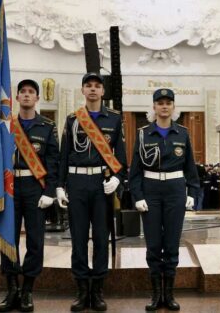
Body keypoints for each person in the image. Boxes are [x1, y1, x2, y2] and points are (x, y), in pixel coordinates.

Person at [57, 73, 127, 312]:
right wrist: (60, 185)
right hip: (76, 182)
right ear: (83, 90)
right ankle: (81, 290)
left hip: (101, 183)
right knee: (78, 237)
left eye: (97, 86)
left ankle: (97, 290)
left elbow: (120, 155)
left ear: (103, 91)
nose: (93, 89)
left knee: (100, 237)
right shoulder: (72, 119)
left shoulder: (114, 119)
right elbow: (64, 155)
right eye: (89, 86)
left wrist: (117, 178)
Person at [129, 88, 199, 311]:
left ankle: (168, 294)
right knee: (153, 244)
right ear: (154, 107)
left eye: (168, 102)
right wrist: (137, 196)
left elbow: (190, 167)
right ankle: (155, 294)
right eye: (160, 103)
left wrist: (192, 192)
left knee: (171, 244)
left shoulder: (183, 133)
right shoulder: (143, 134)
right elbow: (135, 170)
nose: (164, 106)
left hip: (175, 190)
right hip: (151, 191)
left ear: (174, 107)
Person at [0, 79, 60, 313]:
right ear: (16, 97)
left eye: (31, 92)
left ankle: (27, 290)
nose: (26, 95)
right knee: (8, 239)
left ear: (37, 98)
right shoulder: (6, 125)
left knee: (35, 240)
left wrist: (50, 192)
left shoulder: (47, 126)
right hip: (10, 186)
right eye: (22, 91)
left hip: (35, 186)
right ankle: (12, 288)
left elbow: (53, 162)